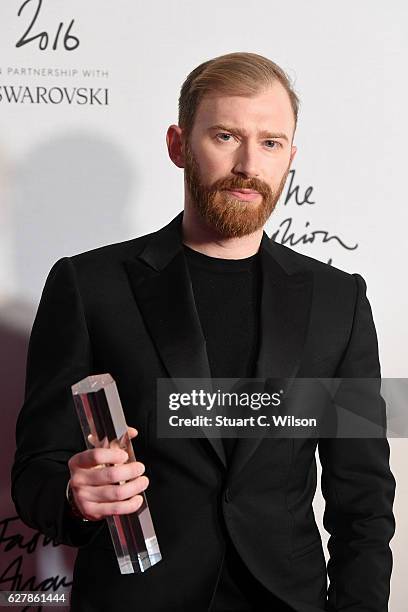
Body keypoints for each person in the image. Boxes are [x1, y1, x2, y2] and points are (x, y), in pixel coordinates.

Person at [11, 52, 395, 611]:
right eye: (225, 136)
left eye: (270, 142)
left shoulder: (339, 303)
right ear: (178, 145)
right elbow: (35, 473)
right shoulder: (89, 287)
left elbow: (362, 500)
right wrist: (74, 494)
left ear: (291, 156)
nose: (248, 163)